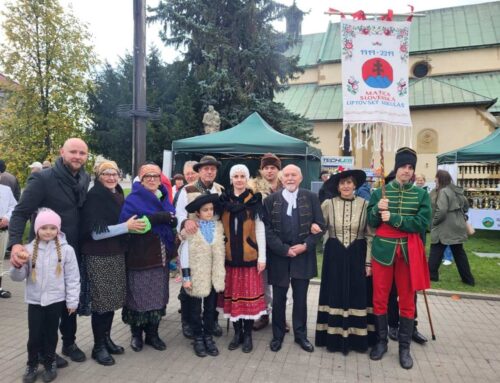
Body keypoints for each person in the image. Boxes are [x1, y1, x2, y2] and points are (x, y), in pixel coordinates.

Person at [9, 138, 90, 366]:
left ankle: (69, 342)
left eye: (82, 153)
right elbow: (20, 212)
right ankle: (47, 351)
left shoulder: (84, 177)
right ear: (62, 152)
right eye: (73, 151)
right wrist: (15, 243)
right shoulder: (43, 178)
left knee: (69, 300)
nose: (77, 156)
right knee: (49, 305)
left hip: (72, 249)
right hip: (46, 252)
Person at [367, 147, 431, 369]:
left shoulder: (421, 195)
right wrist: (377, 209)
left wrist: (393, 217)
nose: (407, 170)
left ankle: (404, 348)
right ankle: (381, 342)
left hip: (407, 252)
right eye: (403, 166)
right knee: (380, 297)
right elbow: (372, 223)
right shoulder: (379, 192)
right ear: (396, 168)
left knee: (406, 299)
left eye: (410, 167)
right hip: (383, 250)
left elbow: (423, 223)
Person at [80, 160, 146, 366]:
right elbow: (96, 233)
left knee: (110, 301)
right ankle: (98, 346)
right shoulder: (95, 197)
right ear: (98, 177)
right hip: (99, 255)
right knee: (101, 303)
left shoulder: (116, 194)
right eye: (105, 174)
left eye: (114, 173)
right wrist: (126, 227)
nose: (111, 177)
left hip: (115, 253)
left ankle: (107, 340)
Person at [10, 209, 80, 383]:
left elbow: (73, 278)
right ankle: (32, 364)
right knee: (34, 336)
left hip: (55, 301)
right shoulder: (27, 249)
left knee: (51, 334)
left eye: (52, 228)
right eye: (44, 228)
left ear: (58, 229)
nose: (48, 232)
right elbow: (17, 278)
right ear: (36, 229)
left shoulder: (67, 250)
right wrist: (18, 265)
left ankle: (50, 364)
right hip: (34, 301)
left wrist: (72, 301)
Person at [263, 164, 325, 353]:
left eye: (294, 175)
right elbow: (266, 230)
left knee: (300, 299)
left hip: (303, 256)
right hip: (279, 257)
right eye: (287, 175)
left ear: (300, 178)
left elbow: (320, 225)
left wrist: (306, 245)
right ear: (281, 179)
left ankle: (301, 335)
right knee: (279, 299)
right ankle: (278, 335)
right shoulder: (271, 200)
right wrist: (284, 250)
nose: (290, 178)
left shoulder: (311, 197)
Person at [315, 169, 376, 354]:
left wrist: (368, 262)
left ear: (355, 185)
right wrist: (314, 228)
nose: (346, 186)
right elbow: (320, 227)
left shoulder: (366, 204)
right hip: (334, 255)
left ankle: (358, 339)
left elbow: (370, 235)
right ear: (337, 186)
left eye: (349, 182)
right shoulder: (328, 204)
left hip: (358, 254)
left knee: (358, 293)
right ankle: (332, 338)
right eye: (342, 183)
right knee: (335, 291)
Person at [119, 163, 177, 352]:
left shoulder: (163, 196)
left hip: (160, 255)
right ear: (141, 180)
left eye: (156, 176)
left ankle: (153, 334)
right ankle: (136, 335)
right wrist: (157, 218)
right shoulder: (133, 199)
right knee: (138, 296)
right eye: (147, 176)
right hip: (140, 255)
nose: (152, 179)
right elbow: (132, 225)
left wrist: (171, 220)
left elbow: (170, 219)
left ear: (161, 179)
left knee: (158, 295)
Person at [175, 155, 225, 339]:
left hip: (212, 241)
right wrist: (186, 221)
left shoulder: (220, 189)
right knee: (190, 287)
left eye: (212, 169)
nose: (209, 171)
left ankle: (211, 321)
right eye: (205, 169)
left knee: (212, 285)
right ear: (199, 171)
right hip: (193, 242)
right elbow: (179, 213)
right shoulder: (187, 189)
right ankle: (188, 322)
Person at [220, 164, 267, 353]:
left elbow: (260, 229)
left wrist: (262, 256)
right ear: (231, 179)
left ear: (247, 179)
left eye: (242, 176)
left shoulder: (254, 200)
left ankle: (248, 335)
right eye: (236, 176)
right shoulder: (223, 200)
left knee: (247, 298)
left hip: (249, 256)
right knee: (234, 298)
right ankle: (237, 333)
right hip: (230, 256)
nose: (239, 179)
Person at [179, 193, 225, 357]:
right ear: (197, 213)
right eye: (205, 210)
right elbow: (184, 253)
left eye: (211, 209)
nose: (209, 212)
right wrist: (186, 277)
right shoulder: (192, 229)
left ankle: (208, 337)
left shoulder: (218, 227)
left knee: (210, 309)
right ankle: (198, 338)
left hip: (213, 276)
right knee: (195, 309)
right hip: (197, 275)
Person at [248, 153, 283, 331]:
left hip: (281, 241)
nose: (269, 171)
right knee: (262, 281)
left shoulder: (286, 187)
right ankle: (263, 314)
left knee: (281, 282)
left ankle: (280, 316)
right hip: (260, 240)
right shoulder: (253, 189)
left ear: (278, 170)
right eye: (266, 168)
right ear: (261, 170)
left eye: (273, 168)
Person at [428, 170, 475, 286]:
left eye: (436, 177)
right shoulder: (456, 190)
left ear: (440, 178)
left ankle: (431, 276)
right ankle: (468, 279)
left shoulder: (443, 191)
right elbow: (466, 206)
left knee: (436, 250)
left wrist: (434, 222)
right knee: (459, 253)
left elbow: (442, 210)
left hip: (444, 227)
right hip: (457, 225)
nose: (434, 180)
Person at [0, 184, 17, 299]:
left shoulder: (6, 190)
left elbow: (14, 206)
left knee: (0, 260)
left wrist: (7, 217)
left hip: (2, 228)